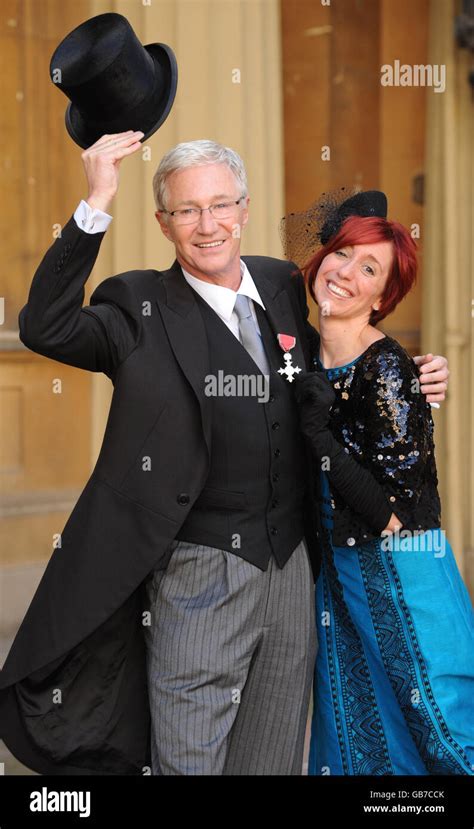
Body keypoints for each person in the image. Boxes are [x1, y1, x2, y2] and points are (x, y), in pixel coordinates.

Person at [0, 141, 448, 776]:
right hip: (197, 570)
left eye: (220, 206)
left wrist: (418, 373)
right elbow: (46, 327)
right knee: (189, 760)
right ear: (163, 223)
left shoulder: (286, 284)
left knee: (270, 760)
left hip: (293, 564)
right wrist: (96, 199)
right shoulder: (137, 305)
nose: (206, 225)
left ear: (243, 209)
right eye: (186, 211)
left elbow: (348, 355)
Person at [290, 190, 474, 775]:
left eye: (369, 268)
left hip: (402, 571)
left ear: (382, 296)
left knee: (440, 729)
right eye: (342, 253)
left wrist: (318, 437)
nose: (347, 272)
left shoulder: (390, 369)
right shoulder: (304, 353)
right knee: (356, 740)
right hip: (339, 579)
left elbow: (394, 510)